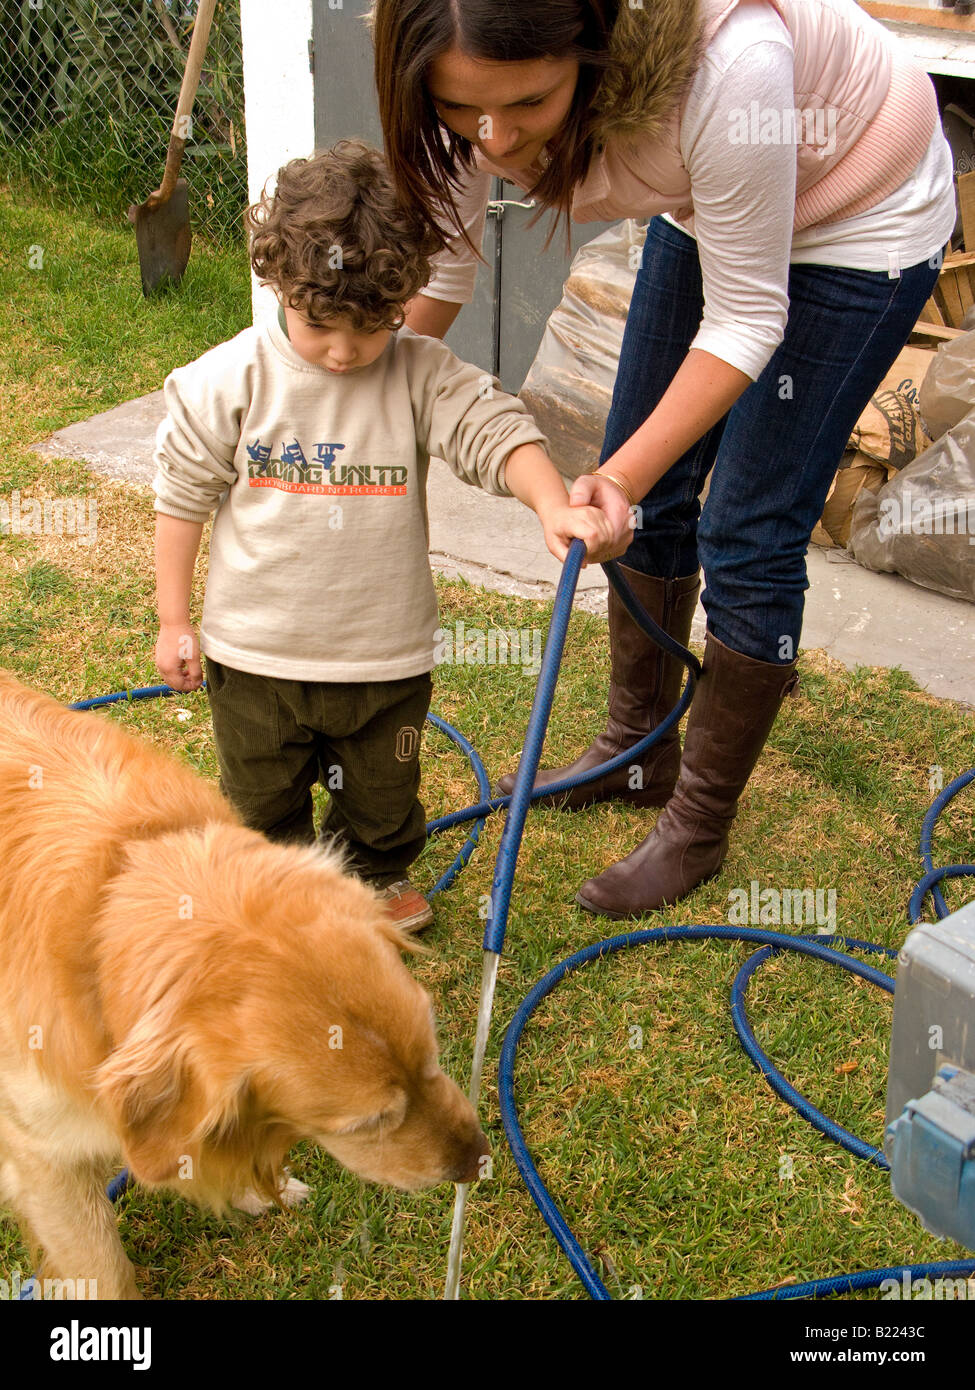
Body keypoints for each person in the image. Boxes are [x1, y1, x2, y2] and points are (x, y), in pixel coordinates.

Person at [371, 0, 956, 918]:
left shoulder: (730, 67)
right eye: (460, 112)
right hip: (712, 197)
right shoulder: (451, 80)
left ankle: (696, 823)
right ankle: (636, 746)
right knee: (648, 480)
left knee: (748, 528)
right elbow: (447, 263)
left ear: (592, 50)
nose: (494, 139)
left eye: (526, 103)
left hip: (857, 210)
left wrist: (619, 480)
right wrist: (366, 393)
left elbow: (746, 318)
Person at [152, 140, 626, 933]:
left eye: (370, 330)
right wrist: (174, 619)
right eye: (321, 326)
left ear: (403, 303)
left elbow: (493, 429)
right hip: (255, 656)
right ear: (277, 283)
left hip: (383, 661)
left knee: (381, 799)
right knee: (262, 798)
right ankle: (277, 886)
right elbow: (181, 498)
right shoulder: (225, 383)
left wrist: (550, 503)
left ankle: (369, 878)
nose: (343, 352)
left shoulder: (418, 374)